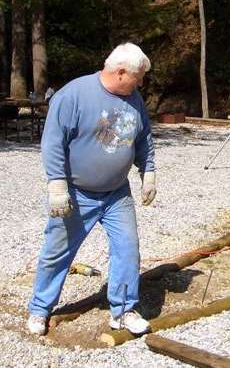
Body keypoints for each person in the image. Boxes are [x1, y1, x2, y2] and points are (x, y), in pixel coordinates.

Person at [27, 42, 156, 336]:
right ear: (121, 72)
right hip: (76, 193)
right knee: (57, 252)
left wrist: (148, 171)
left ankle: (123, 310)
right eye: (138, 77)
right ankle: (39, 308)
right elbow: (53, 141)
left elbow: (143, 138)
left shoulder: (134, 99)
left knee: (127, 248)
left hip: (116, 194)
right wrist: (57, 184)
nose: (141, 83)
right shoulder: (73, 95)